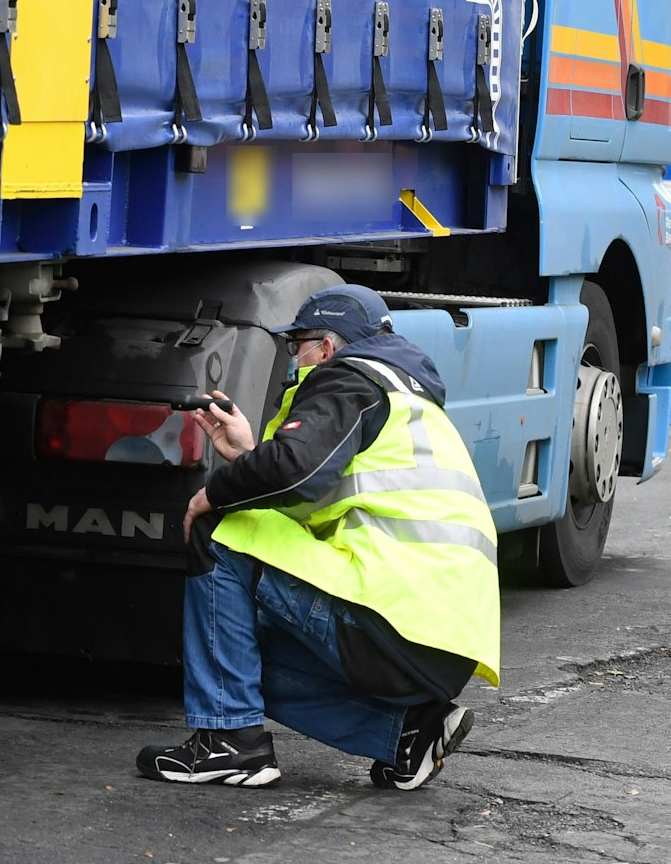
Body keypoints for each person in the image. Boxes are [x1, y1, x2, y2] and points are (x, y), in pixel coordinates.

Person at [135, 284, 499, 790]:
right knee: (233, 651)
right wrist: (249, 454)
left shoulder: (349, 379)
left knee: (220, 530)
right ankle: (405, 734)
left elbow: (296, 470)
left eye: (297, 345)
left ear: (326, 348)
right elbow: (321, 491)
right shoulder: (408, 400)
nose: (294, 358)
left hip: (390, 619)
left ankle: (229, 742)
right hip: (436, 642)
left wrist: (212, 494)